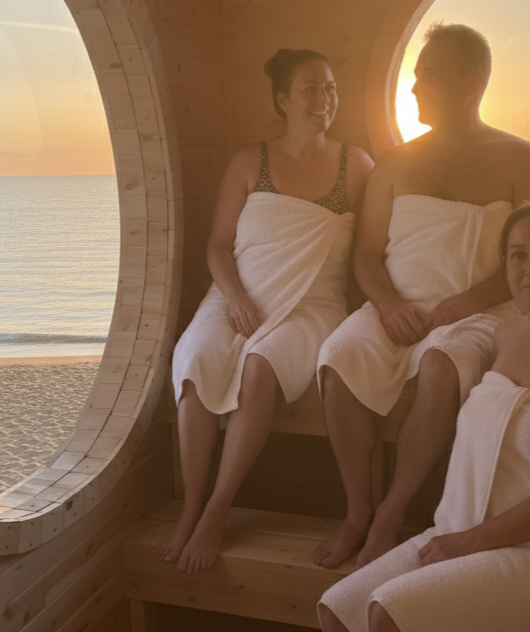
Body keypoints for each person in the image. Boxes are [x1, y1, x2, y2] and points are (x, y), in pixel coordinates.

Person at [318, 199, 530, 632]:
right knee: (337, 611)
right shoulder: (504, 334)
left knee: (388, 614)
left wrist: (469, 542)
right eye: (518, 255)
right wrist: (459, 534)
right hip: (467, 528)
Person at [315, 23, 530, 570]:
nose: (416, 88)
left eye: (432, 77)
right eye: (416, 76)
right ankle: (357, 512)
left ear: (472, 83)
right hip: (396, 305)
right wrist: (388, 304)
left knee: (442, 365)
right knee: (337, 356)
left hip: (481, 311)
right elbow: (366, 254)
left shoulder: (520, 159)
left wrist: (470, 301)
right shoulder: (396, 162)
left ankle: (391, 515)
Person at [156, 48, 373, 574]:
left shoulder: (357, 166)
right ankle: (190, 508)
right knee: (195, 361)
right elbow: (217, 246)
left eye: (330, 88)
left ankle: (217, 509)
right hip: (236, 293)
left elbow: (373, 247)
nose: (324, 99)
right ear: (283, 100)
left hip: (311, 305)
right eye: (310, 89)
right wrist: (234, 298)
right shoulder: (248, 161)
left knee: (260, 366)